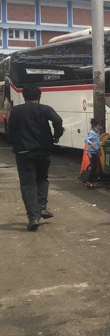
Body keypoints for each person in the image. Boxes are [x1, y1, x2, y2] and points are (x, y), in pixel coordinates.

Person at [7, 85, 64, 231]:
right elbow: (57, 120)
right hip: (44, 150)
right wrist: (56, 136)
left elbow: (10, 131)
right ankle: (42, 206)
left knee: (27, 184)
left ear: (24, 96)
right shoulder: (45, 109)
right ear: (39, 96)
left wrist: (16, 141)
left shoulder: (16, 111)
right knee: (42, 178)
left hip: (24, 152)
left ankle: (33, 217)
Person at [84, 118, 103, 189]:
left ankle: (89, 180)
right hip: (91, 152)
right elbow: (86, 139)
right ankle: (89, 181)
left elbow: (98, 143)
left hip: (95, 152)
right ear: (95, 125)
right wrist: (91, 143)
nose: (101, 127)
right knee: (94, 167)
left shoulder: (97, 133)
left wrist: (99, 151)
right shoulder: (92, 132)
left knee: (94, 166)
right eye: (99, 125)